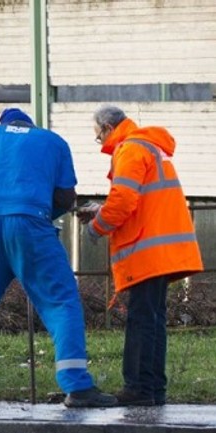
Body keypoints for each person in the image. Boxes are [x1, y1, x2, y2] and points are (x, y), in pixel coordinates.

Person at [0, 108, 117, 408]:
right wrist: (40, 214)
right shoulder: (52, 141)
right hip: (32, 225)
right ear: (29, 125)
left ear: (5, 124)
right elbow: (64, 197)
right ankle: (77, 386)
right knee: (61, 301)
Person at [76, 104, 203, 406]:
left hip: (147, 250)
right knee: (152, 320)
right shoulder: (148, 146)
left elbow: (123, 201)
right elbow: (137, 198)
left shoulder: (129, 149)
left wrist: (96, 226)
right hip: (160, 248)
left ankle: (140, 389)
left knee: (142, 321)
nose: (100, 143)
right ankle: (152, 389)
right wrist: (101, 208)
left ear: (107, 128)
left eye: (98, 136)